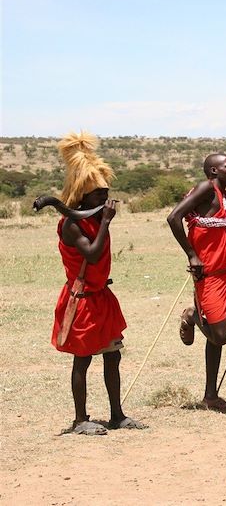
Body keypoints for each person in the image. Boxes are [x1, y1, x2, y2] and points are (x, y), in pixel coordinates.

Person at [49, 130, 145, 434]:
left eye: (106, 194)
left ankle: (117, 415)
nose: (106, 200)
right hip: (82, 300)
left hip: (101, 296)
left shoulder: (91, 218)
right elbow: (90, 254)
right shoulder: (71, 224)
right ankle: (80, 419)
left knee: (113, 355)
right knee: (83, 359)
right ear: (84, 196)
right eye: (99, 196)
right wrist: (104, 222)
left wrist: (101, 220)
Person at [167, 153, 226, 414]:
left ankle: (211, 395)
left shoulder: (219, 193)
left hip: (223, 271)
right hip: (207, 273)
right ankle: (192, 315)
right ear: (213, 171)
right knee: (221, 335)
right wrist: (192, 254)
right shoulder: (206, 188)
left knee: (216, 338)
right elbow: (174, 217)